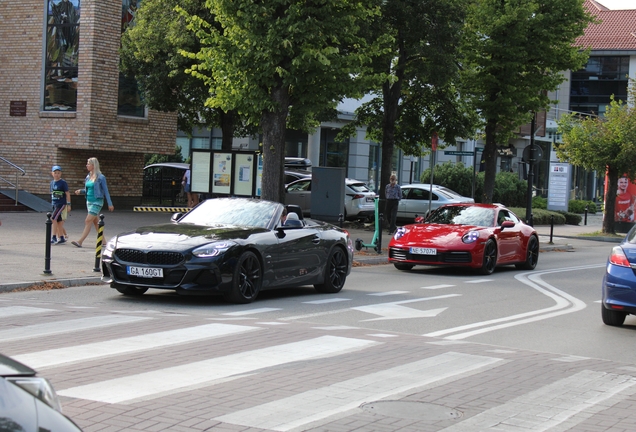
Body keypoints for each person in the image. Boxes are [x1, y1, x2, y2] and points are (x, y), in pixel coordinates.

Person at [71, 157, 114, 248]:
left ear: (93, 165)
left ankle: (80, 241)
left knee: (87, 221)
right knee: (96, 222)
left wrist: (110, 203)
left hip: (97, 202)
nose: (87, 165)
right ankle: (104, 242)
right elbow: (89, 189)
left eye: (88, 164)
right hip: (89, 201)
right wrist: (81, 191)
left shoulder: (101, 177)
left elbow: (106, 191)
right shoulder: (88, 176)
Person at [50, 165, 71, 244]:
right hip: (54, 203)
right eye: (55, 173)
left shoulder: (63, 183)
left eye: (58, 173)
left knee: (53, 218)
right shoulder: (52, 183)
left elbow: (67, 193)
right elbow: (52, 193)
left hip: (61, 203)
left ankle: (54, 237)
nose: (57, 174)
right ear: (52, 173)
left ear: (61, 174)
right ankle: (61, 237)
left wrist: (68, 204)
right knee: (58, 221)